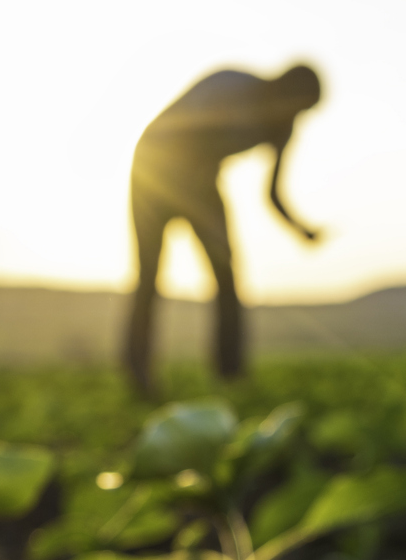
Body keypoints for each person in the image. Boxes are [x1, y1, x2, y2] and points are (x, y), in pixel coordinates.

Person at [124, 64, 322, 392]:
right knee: (149, 275)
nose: (295, 113)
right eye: (296, 103)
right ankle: (139, 375)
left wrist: (301, 229)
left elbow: (272, 193)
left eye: (303, 110)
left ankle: (230, 374)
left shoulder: (282, 127)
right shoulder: (232, 86)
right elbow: (189, 141)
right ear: (283, 86)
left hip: (202, 178)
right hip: (153, 167)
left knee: (226, 275)